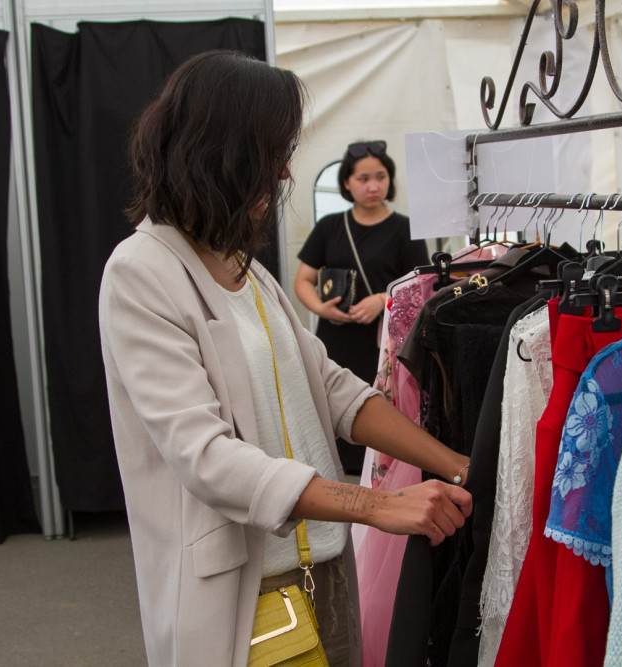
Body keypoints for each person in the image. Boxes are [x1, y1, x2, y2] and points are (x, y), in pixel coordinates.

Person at [97, 50, 472, 667]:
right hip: (248, 594)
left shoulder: (247, 271)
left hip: (323, 566)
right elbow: (206, 456)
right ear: (226, 152)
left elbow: (331, 389)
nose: (284, 170)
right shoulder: (141, 272)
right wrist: (378, 506)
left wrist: (458, 466)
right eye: (275, 151)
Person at [294, 141, 430, 475]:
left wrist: (381, 300)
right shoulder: (329, 226)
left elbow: (421, 287)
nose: (373, 186)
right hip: (336, 339)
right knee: (331, 405)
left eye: (380, 177)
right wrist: (321, 309)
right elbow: (303, 280)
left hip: (385, 343)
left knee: (380, 406)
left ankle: (381, 474)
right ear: (346, 182)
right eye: (363, 178)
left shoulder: (405, 229)